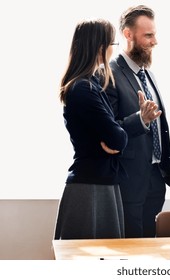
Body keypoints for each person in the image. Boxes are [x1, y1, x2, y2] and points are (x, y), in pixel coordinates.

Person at [106, 5, 170, 238]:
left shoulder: (148, 74)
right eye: (148, 35)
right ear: (128, 35)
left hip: (157, 176)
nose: (154, 41)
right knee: (131, 247)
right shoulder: (109, 74)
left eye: (154, 34)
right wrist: (140, 119)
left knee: (150, 245)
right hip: (129, 179)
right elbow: (108, 130)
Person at [54, 19, 128, 239]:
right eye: (113, 43)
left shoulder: (90, 84)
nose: (114, 49)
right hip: (90, 187)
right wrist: (117, 136)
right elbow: (118, 138)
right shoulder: (83, 88)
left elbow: (115, 136)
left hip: (100, 181)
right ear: (99, 47)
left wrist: (116, 135)